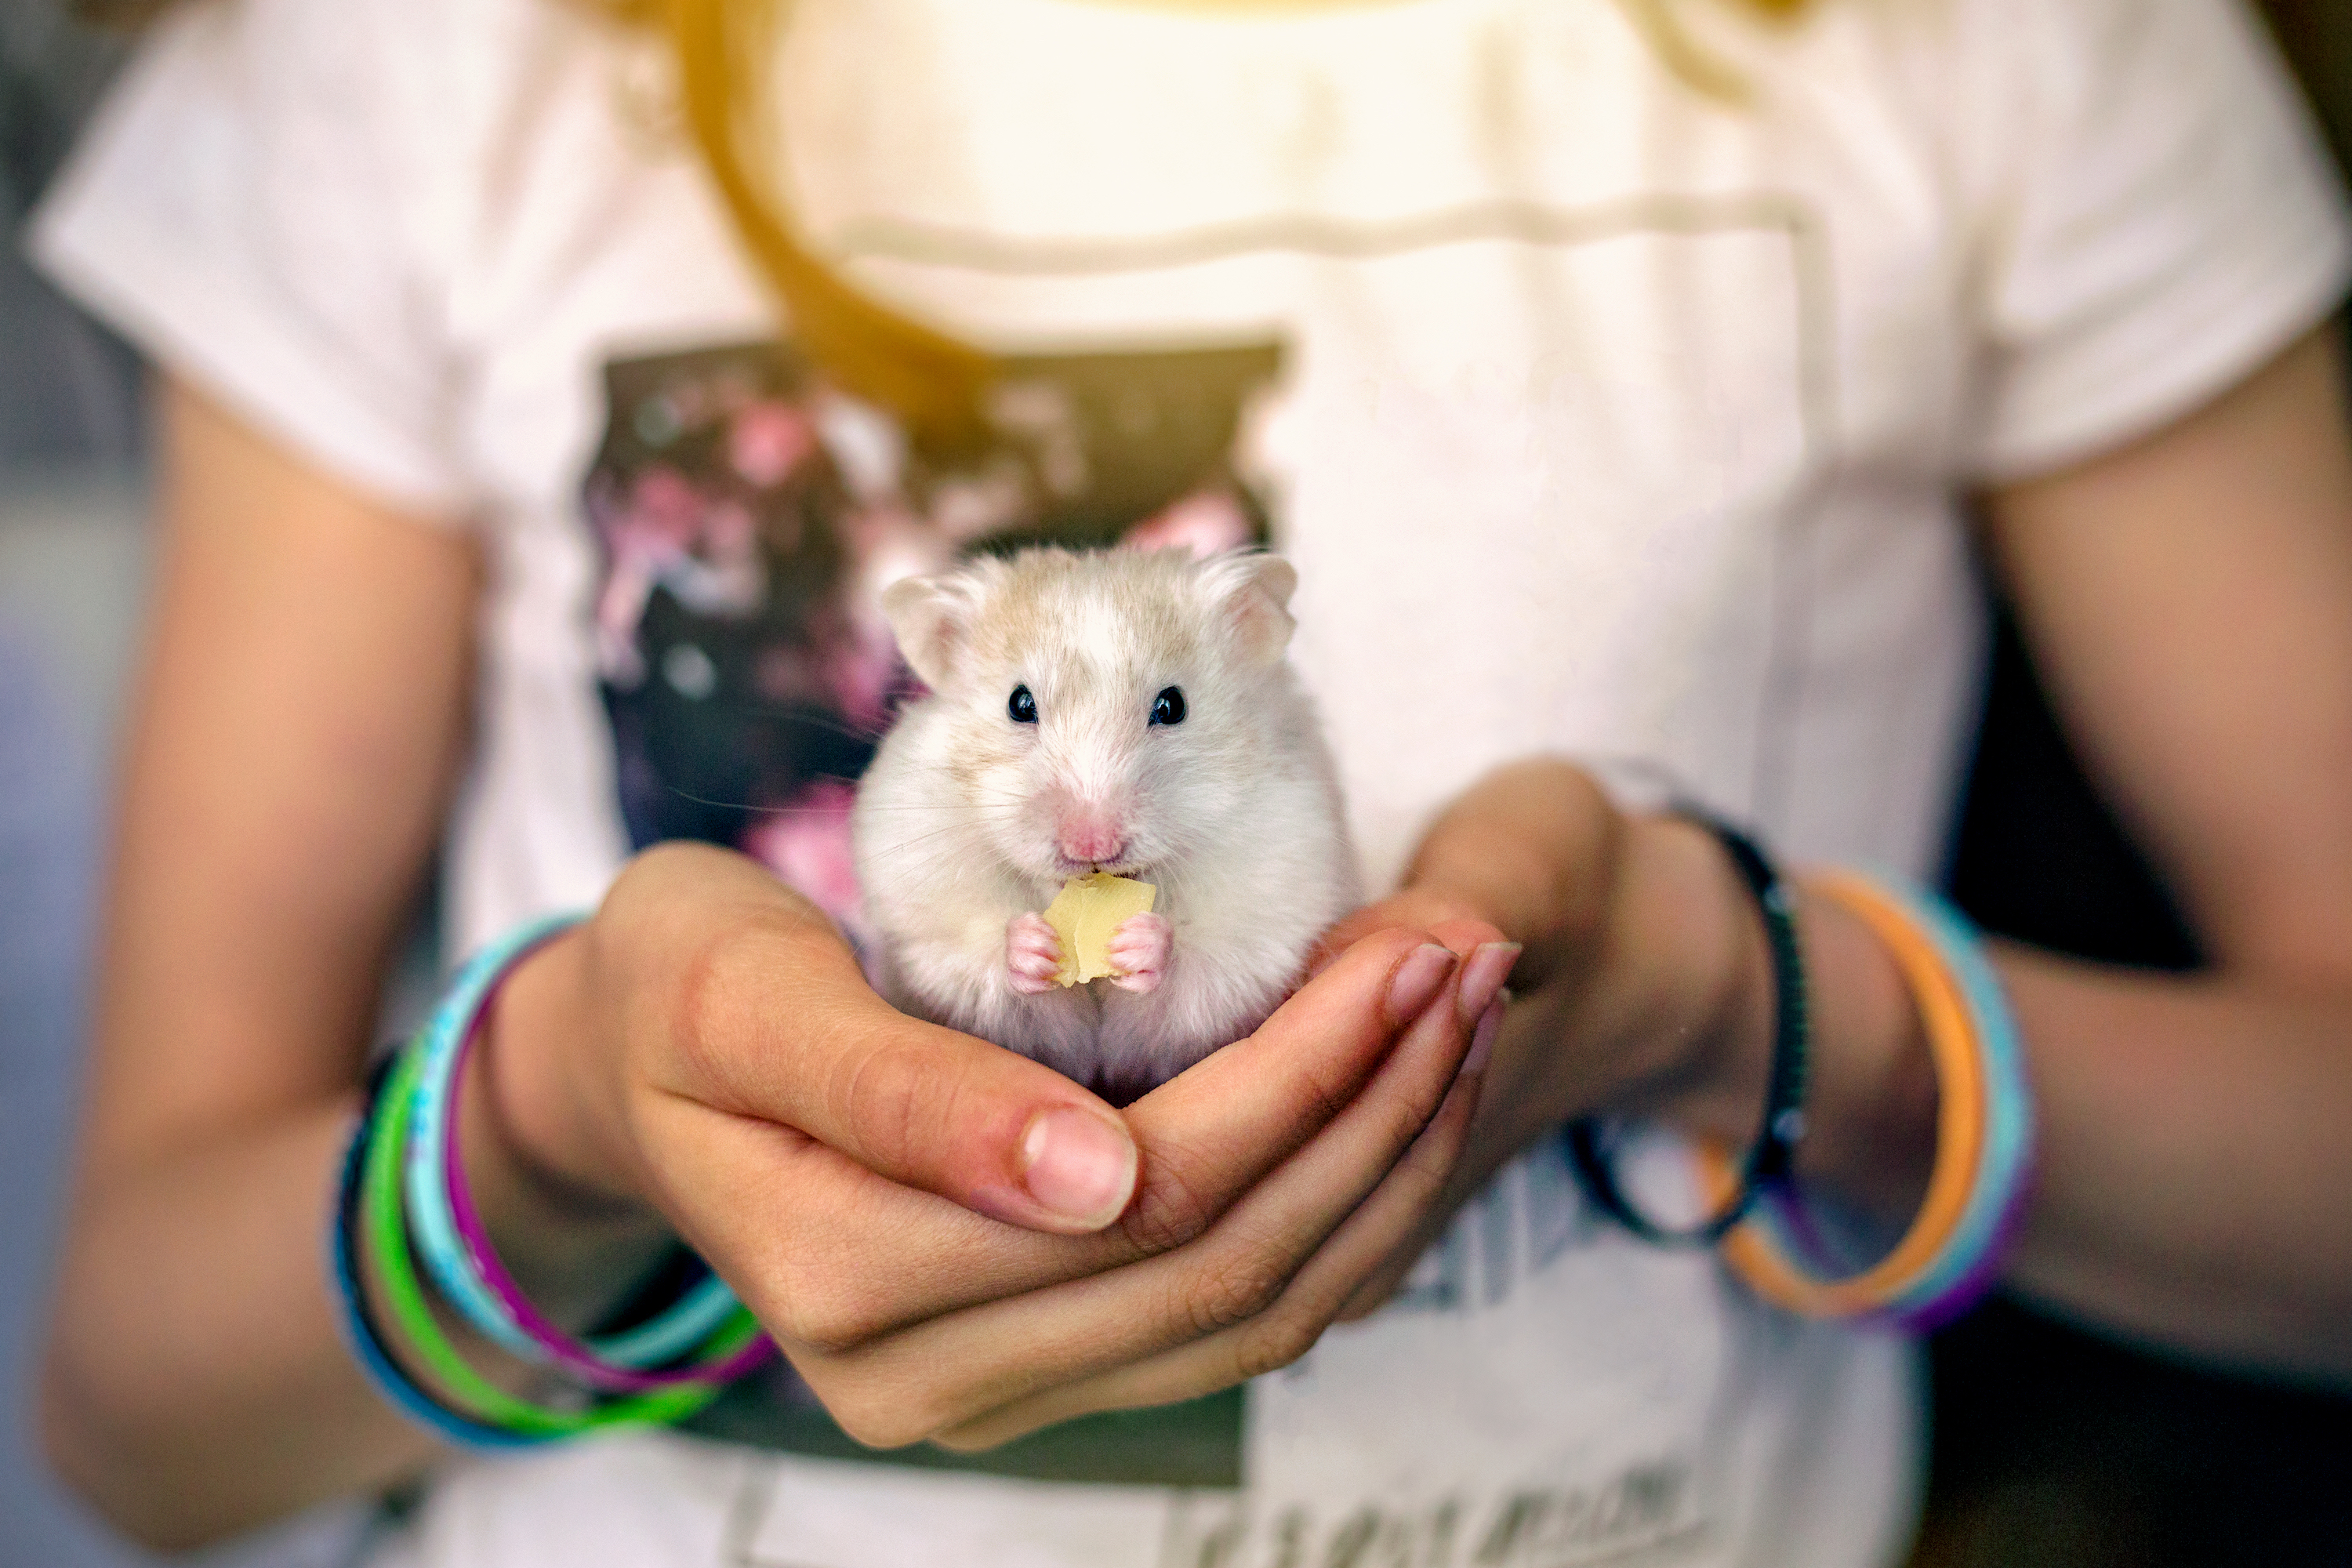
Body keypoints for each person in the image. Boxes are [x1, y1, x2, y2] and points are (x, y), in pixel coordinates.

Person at [26, 0, 2352, 1563]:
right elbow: (137, 1414)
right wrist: (552, 1111)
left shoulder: (2006, 51)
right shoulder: (401, 63)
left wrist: (1724, 999)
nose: (1085, 803)